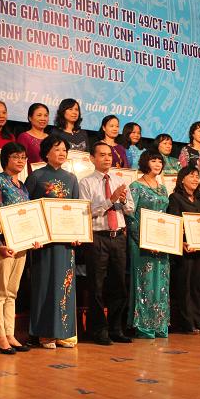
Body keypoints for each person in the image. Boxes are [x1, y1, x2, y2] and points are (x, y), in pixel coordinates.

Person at [24, 135, 81, 348]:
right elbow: (27, 208)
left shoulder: (71, 178)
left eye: (64, 150)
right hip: (44, 242)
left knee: (65, 284)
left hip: (65, 243)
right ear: (46, 152)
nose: (62, 153)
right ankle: (45, 332)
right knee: (45, 283)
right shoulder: (36, 176)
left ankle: (64, 332)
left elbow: (76, 209)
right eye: (57, 149)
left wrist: (77, 234)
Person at [79, 141, 135, 345]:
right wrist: (110, 200)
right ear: (92, 158)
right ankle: (98, 330)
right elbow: (86, 211)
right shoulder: (86, 182)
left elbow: (130, 209)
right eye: (102, 155)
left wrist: (122, 200)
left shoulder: (119, 180)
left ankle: (115, 328)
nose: (107, 158)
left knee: (119, 284)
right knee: (97, 286)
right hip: (98, 237)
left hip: (118, 237)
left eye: (109, 155)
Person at [0, 142, 36, 353]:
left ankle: (9, 333)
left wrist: (34, 237)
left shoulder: (22, 185)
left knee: (12, 292)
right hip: (2, 244)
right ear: (5, 159)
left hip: (20, 244)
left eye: (23, 157)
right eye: (16, 157)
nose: (20, 161)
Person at [127, 151, 171, 338]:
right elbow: (130, 216)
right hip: (141, 243)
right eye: (153, 160)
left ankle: (159, 324)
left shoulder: (163, 189)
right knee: (145, 282)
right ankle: (144, 326)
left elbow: (165, 217)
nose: (157, 164)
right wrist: (143, 240)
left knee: (161, 282)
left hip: (161, 243)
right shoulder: (135, 186)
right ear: (145, 162)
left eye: (160, 161)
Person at [167, 165, 200, 334]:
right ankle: (186, 323)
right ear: (182, 179)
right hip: (185, 249)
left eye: (197, 176)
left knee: (197, 287)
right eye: (191, 176)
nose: (195, 179)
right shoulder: (175, 198)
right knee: (184, 286)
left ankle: (198, 321)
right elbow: (174, 222)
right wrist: (181, 241)